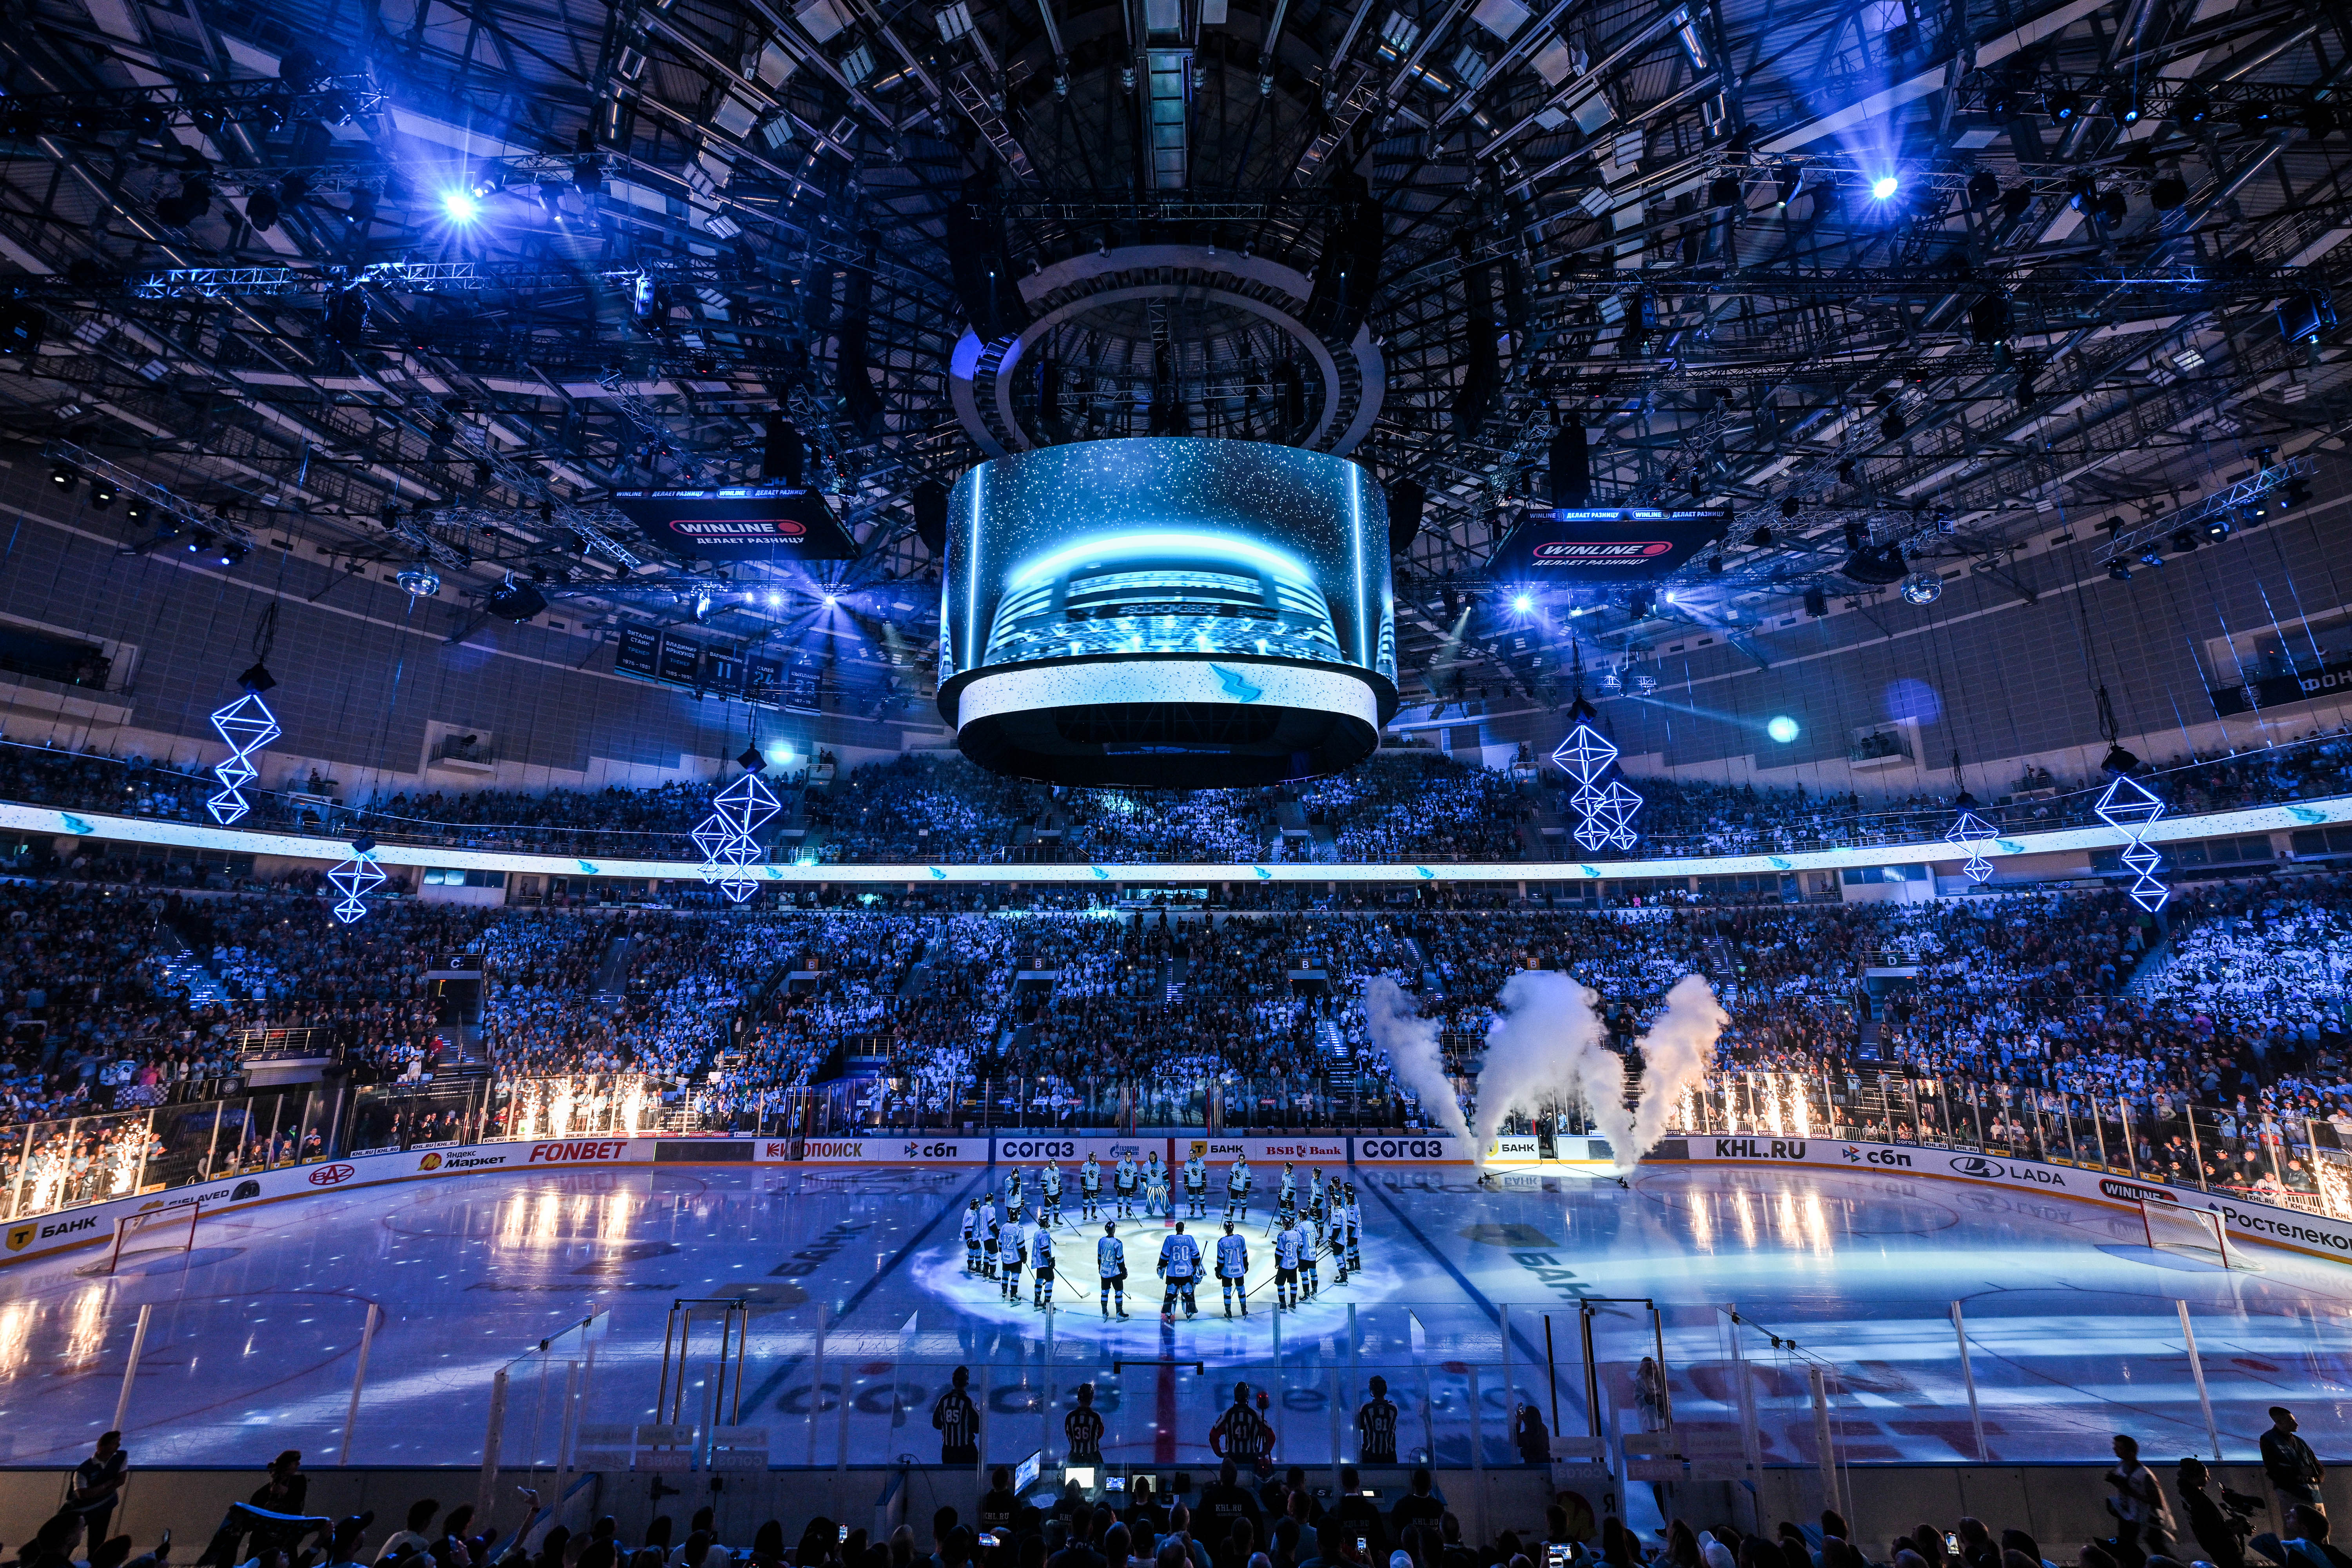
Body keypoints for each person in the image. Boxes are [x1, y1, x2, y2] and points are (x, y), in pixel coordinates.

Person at [2102, 1434, 2172, 1567]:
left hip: (2147, 1518)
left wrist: (2131, 1493)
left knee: (2159, 1549)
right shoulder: (2121, 1466)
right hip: (2128, 1515)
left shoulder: (2144, 1474)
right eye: (2115, 1447)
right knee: (2125, 1548)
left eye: (2119, 1448)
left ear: (2131, 1452)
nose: (2115, 1450)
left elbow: (2157, 1501)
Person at [2175, 1456, 2253, 1568]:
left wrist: (2228, 1523)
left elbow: (2209, 1524)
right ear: (2194, 1478)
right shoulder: (2198, 1500)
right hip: (2224, 1549)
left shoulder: (2187, 1494)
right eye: (2205, 1476)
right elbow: (2215, 1533)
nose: (2209, 1479)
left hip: (2213, 1547)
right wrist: (2238, 1529)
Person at [68, 1432, 129, 1546]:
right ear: (102, 1447)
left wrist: (95, 1492)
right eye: (115, 1443)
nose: (119, 1445)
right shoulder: (82, 1471)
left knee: (97, 1541)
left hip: (105, 1507)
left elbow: (121, 1481)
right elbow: (83, 1495)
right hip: (83, 1509)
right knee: (70, 1539)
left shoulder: (121, 1457)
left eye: (119, 1442)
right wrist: (106, 1486)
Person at [2264, 1406, 2326, 1512]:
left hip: (2314, 1496)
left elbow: (2318, 1466)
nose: (2296, 1424)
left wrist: (2316, 1479)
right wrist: (2299, 1472)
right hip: (2291, 1496)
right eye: (2291, 1421)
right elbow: (2272, 1469)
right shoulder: (2269, 1440)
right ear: (2279, 1422)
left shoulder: (2301, 1442)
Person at [1210, 1382, 1276, 1477]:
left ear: (1235, 1395)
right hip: (1252, 1461)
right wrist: (1263, 1453)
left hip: (1231, 1461)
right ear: (1247, 1396)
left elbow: (1213, 1436)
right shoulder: (1256, 1416)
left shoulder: (1227, 1414)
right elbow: (1272, 1437)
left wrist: (1220, 1454)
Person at [2253, 1507, 2352, 1568]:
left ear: (2304, 1528)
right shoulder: (2331, 1550)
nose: (2286, 1515)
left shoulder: (2297, 1553)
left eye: (2292, 1516)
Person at [934, 1366, 981, 1465]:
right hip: (967, 1451)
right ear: (966, 1382)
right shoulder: (968, 1402)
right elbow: (979, 1427)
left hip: (948, 1451)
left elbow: (936, 1423)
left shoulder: (944, 1400)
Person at [1160, 1220, 1203, 1320]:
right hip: (1187, 1273)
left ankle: (1169, 1311)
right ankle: (1189, 1310)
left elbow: (1165, 1256)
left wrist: (1161, 1268)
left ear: (1176, 1229)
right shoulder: (1190, 1239)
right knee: (1188, 1292)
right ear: (1183, 1229)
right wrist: (1198, 1268)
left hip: (1173, 1273)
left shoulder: (1170, 1239)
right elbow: (1196, 1256)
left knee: (1171, 1293)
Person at [1389, 1472, 1443, 1544]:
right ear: (1430, 1487)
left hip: (1409, 1549)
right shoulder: (1439, 1507)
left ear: (1413, 1483)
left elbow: (1394, 1525)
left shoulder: (1402, 1505)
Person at [1356, 1377, 1399, 1465]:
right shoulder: (1393, 1407)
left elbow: (1361, 1426)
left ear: (1373, 1390)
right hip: (1390, 1456)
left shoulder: (1366, 1407)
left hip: (1369, 1456)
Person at [1216, 1220, 1251, 1318]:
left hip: (1227, 1271)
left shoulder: (1222, 1242)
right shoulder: (1240, 1239)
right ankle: (1244, 1310)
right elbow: (1245, 1254)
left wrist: (1218, 1271)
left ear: (1225, 1229)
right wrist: (1246, 1265)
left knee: (1227, 1290)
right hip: (1239, 1269)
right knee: (1241, 1289)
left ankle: (1228, 1312)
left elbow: (1221, 1260)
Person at [1065, 1383, 1105, 1468]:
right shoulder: (1096, 1417)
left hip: (1074, 1460)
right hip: (1093, 1459)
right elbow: (1100, 1434)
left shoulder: (1070, 1417)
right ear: (1091, 1399)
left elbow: (1068, 1433)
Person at [1099, 1221, 1130, 1319]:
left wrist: (1100, 1268)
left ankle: (1104, 1313)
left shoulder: (1101, 1241)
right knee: (1119, 1292)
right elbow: (1120, 1260)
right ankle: (1119, 1313)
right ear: (1114, 1230)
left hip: (1104, 1272)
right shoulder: (1117, 1243)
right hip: (1115, 1272)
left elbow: (1099, 1257)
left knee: (1104, 1292)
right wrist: (1124, 1270)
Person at [1272, 1216, 1303, 1310]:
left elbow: (1279, 1252)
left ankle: (1283, 1305)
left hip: (1285, 1264)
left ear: (1284, 1225)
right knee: (1293, 1283)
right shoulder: (1296, 1234)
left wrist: (1277, 1262)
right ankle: (1293, 1303)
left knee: (1280, 1284)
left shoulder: (1282, 1235)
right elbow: (1300, 1248)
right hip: (1294, 1263)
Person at [979, 1468, 1020, 1538]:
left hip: (988, 1540)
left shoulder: (984, 1501)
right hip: (1008, 1541)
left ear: (993, 1482)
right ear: (1008, 1482)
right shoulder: (1014, 1502)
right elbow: (1017, 1526)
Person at [1032, 1210, 1057, 1309]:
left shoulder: (1036, 1233)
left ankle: (1037, 1302)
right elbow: (1045, 1249)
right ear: (1045, 1223)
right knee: (1050, 1280)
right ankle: (1047, 1305)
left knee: (1039, 1280)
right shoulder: (1045, 1234)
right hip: (1045, 1262)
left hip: (1039, 1263)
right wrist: (1050, 1260)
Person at [1002, 1212, 1028, 1303]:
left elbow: (1000, 1243)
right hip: (1015, 1257)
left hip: (1005, 1256)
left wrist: (1003, 1251)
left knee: (1005, 1275)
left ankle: (1004, 1292)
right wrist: (1024, 1255)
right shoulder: (1019, 1228)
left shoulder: (1004, 1227)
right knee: (1015, 1276)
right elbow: (1021, 1244)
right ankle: (1013, 1295)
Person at [1512, 1401, 1550, 1465]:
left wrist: (1519, 1423)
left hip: (1533, 1466)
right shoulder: (1543, 1429)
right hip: (1545, 1464)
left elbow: (1517, 1441)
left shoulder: (1528, 1435)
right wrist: (1525, 1420)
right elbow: (1534, 1428)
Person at [1227, 1157, 1252, 1221]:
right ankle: (1231, 1213)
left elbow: (1249, 1178)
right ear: (1239, 1159)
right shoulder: (1235, 1165)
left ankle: (1243, 1213)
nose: (1241, 1160)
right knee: (1233, 1201)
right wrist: (1230, 1183)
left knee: (1243, 1202)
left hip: (1242, 1188)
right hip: (1234, 1187)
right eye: (1241, 1159)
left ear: (1244, 1160)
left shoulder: (1247, 1168)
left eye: (1243, 1159)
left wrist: (1247, 1187)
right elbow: (1232, 1175)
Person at [1116, 1152, 1140, 1219]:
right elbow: (1117, 1174)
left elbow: (1135, 1175)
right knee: (1120, 1199)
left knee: (1130, 1199)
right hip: (1121, 1185)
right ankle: (1120, 1212)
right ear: (1125, 1156)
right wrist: (1116, 1183)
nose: (1129, 1157)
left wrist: (1135, 1185)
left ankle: (1128, 1211)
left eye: (1130, 1156)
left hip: (1130, 1185)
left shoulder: (1134, 1164)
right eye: (1128, 1156)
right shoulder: (1121, 1163)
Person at [1185, 1152, 1209, 1218]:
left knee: (1202, 1197)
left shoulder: (1201, 1161)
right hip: (1191, 1184)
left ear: (1195, 1154)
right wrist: (1186, 1182)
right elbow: (1186, 1174)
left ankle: (1203, 1209)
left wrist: (1204, 1180)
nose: (1191, 1155)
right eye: (1190, 1154)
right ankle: (1192, 1209)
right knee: (1191, 1198)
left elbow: (1204, 1171)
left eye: (1193, 1154)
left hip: (1200, 1183)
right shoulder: (1187, 1163)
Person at [964, 1199, 984, 1274]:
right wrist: (970, 1239)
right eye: (978, 1205)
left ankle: (970, 1266)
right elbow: (969, 1227)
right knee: (979, 1250)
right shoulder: (973, 1215)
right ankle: (978, 1268)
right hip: (973, 1237)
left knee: (972, 1251)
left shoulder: (968, 1211)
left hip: (969, 1236)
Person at [1082, 1155, 1103, 1222]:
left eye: (1095, 1157)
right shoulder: (1086, 1165)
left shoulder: (1098, 1166)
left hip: (1095, 1187)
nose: (1095, 1158)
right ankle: (1085, 1214)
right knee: (1086, 1201)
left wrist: (1099, 1185)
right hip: (1087, 1187)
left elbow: (1099, 1177)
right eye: (1093, 1157)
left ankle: (1093, 1214)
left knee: (1094, 1201)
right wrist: (1083, 1185)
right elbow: (1082, 1176)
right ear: (1090, 1157)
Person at [1042, 1162, 1064, 1226]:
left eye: (1054, 1164)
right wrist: (1045, 1192)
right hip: (1049, 1194)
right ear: (1049, 1164)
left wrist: (1060, 1187)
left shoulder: (1057, 1170)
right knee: (1047, 1208)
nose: (1053, 1165)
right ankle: (1046, 1223)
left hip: (1056, 1193)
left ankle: (1056, 1221)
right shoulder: (1046, 1171)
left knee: (1057, 1206)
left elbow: (1058, 1180)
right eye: (1051, 1164)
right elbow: (1043, 1182)